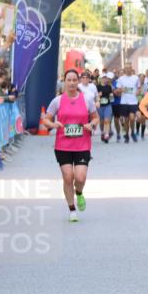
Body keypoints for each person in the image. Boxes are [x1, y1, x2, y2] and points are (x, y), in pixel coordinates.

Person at [43, 69, 99, 222]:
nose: (72, 83)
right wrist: (53, 124)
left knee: (80, 177)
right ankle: (72, 210)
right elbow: (46, 119)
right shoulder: (57, 101)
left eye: (75, 80)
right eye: (69, 80)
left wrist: (91, 124)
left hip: (82, 145)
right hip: (63, 145)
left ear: (78, 81)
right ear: (65, 81)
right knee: (68, 177)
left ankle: (79, 193)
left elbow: (95, 118)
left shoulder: (86, 100)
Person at [114, 65, 140, 142]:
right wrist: (120, 90)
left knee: (132, 118)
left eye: (129, 68)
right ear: (125, 69)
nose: (128, 70)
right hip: (124, 102)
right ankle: (127, 135)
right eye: (126, 68)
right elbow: (118, 90)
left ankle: (132, 132)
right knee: (126, 119)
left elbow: (139, 88)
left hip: (133, 101)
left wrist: (138, 92)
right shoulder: (121, 79)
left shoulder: (136, 78)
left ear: (131, 69)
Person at [96, 72, 115, 143]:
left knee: (107, 120)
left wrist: (111, 96)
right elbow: (95, 96)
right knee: (101, 121)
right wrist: (98, 95)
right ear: (100, 79)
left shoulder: (109, 86)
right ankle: (102, 132)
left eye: (105, 78)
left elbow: (111, 96)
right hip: (100, 106)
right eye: (103, 78)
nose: (104, 79)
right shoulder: (97, 87)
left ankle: (106, 134)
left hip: (107, 105)